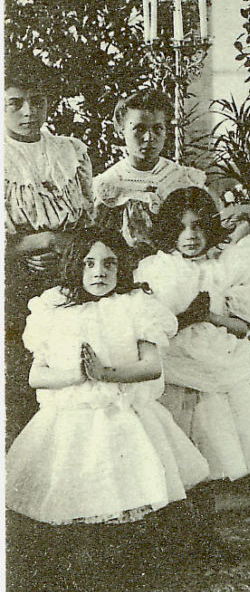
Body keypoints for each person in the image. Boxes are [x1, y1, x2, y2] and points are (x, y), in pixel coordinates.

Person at [6, 226, 210, 527]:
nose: (99, 272)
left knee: (134, 495)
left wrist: (105, 374)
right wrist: (76, 374)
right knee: (75, 498)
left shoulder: (135, 305)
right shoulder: (53, 308)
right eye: (89, 263)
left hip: (125, 414)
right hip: (70, 420)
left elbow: (152, 367)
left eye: (109, 263)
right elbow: (37, 376)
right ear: (74, 265)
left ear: (121, 266)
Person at [135, 187, 250, 546]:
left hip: (214, 367)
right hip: (174, 367)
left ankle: (205, 536)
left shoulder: (223, 269)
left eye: (197, 226)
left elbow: (243, 325)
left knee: (213, 452)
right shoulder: (155, 269)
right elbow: (147, 323)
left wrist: (209, 315)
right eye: (181, 228)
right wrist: (182, 317)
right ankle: (176, 537)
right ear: (168, 230)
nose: (190, 236)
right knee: (177, 455)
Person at [4, 53, 94, 438]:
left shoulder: (69, 151)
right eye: (16, 103)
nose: (29, 112)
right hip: (14, 278)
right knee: (24, 362)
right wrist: (37, 242)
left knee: (74, 355)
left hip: (70, 268)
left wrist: (67, 245)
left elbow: (89, 219)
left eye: (37, 101)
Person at [94, 89, 207, 251]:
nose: (149, 138)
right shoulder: (107, 185)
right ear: (121, 131)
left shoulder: (184, 178)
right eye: (139, 129)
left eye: (157, 129)